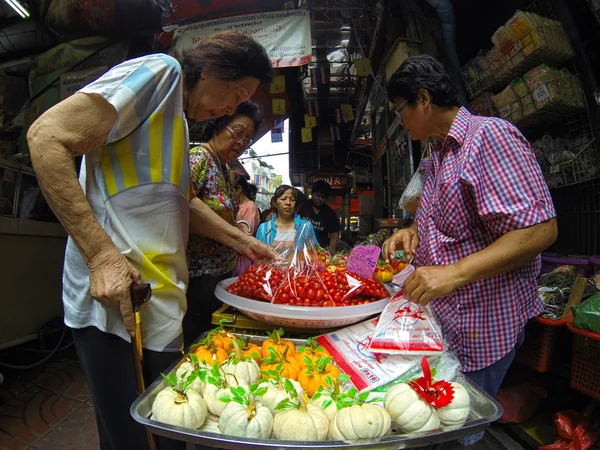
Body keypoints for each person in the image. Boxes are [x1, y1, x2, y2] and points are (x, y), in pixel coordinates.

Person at [27, 31, 273, 450]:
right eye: (234, 92)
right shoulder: (162, 72)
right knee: (135, 438)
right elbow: (47, 138)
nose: (232, 108)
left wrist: (242, 243)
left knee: (156, 432)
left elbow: (182, 203)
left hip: (159, 306)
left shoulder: (176, 122)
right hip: (117, 305)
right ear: (213, 67)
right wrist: (102, 256)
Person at [382, 55, 558, 448]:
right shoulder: (440, 155)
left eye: (400, 110)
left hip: (484, 326)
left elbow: (539, 229)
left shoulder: (489, 137)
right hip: (448, 323)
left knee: (458, 433)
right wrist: (412, 232)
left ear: (423, 99)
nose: (401, 121)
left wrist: (454, 272)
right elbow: (450, 222)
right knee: (436, 422)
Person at [185, 100, 264, 346]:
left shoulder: (222, 167)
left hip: (218, 275)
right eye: (237, 133)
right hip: (197, 276)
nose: (240, 143)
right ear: (218, 124)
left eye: (247, 139)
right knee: (198, 342)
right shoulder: (198, 158)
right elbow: (184, 207)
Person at [256, 185, 318, 250]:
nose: (288, 203)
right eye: (283, 199)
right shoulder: (264, 229)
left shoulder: (306, 227)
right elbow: (258, 254)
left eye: (292, 200)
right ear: (274, 203)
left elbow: (314, 253)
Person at [298, 180, 341, 253]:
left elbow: (334, 234)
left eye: (323, 197)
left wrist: (331, 249)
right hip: (300, 248)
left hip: (321, 250)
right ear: (312, 193)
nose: (320, 199)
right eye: (317, 195)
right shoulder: (301, 206)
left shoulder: (330, 213)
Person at [234, 175, 261, 276]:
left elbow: (246, 234)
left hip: (241, 256)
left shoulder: (250, 207)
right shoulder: (236, 205)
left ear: (239, 189)